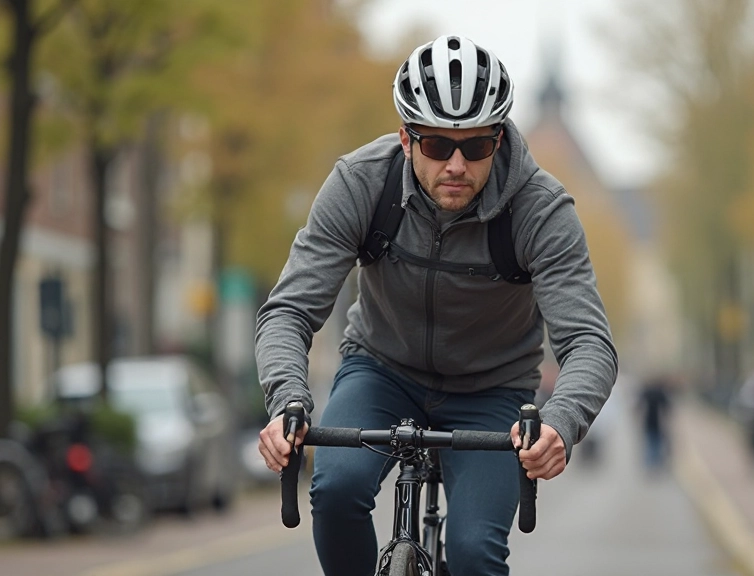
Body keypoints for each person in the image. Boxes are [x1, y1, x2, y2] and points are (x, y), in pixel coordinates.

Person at [255, 35, 617, 576]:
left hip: (492, 391)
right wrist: (288, 399)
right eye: (435, 145)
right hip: (381, 371)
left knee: (474, 553)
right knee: (335, 490)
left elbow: (589, 343)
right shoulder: (361, 183)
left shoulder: (541, 210)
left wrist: (560, 424)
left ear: (498, 139)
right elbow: (288, 311)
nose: (455, 164)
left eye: (474, 148)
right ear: (405, 138)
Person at [636, 374, 673, 472]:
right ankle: (655, 464)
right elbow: (667, 407)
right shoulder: (660, 393)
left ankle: (650, 464)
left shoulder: (647, 392)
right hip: (658, 423)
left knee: (650, 443)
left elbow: (639, 406)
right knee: (656, 443)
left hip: (648, 422)